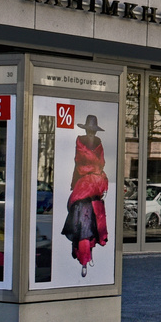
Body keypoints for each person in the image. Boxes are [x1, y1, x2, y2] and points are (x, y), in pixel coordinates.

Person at [61, 114, 109, 277]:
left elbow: (78, 166)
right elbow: (101, 165)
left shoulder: (80, 142)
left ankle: (83, 258)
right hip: (95, 188)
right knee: (91, 225)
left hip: (83, 188)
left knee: (81, 226)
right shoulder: (98, 144)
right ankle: (86, 256)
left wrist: (74, 184)